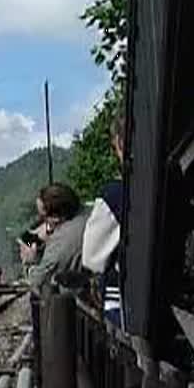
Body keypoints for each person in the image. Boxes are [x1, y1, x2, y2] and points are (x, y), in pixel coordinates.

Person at [82, 109, 125, 327]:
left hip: (122, 306)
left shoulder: (113, 196)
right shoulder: (175, 188)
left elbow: (91, 258)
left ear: (119, 143)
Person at [19, 183, 88, 294]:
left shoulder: (62, 240)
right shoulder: (86, 218)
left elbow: (38, 282)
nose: (42, 223)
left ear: (56, 217)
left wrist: (30, 262)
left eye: (43, 217)